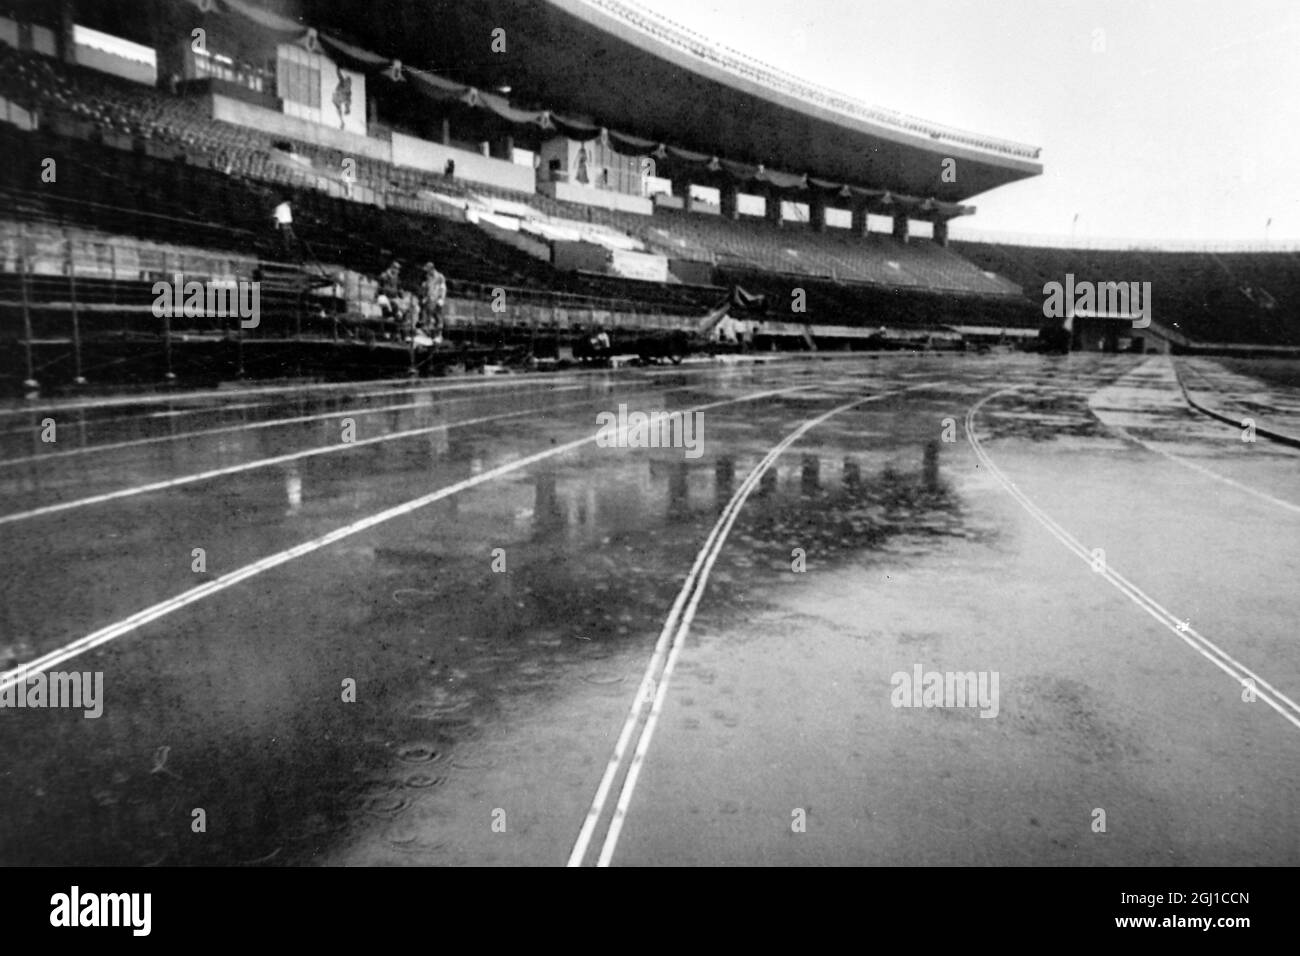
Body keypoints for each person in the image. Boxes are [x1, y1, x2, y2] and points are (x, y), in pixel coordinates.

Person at [420, 261, 447, 342]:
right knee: (427, 317)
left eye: (427, 269)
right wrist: (424, 297)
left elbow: (443, 288)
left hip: (437, 300)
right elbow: (426, 288)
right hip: (429, 300)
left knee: (438, 317)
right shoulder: (427, 276)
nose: (426, 271)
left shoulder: (440, 276)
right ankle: (428, 335)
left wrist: (441, 299)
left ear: (431, 269)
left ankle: (438, 336)